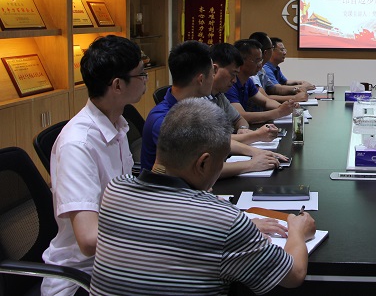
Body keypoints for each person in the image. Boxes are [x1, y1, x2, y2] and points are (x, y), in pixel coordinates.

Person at [90, 98, 317, 296]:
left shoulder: (115, 191)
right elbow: (294, 274)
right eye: (221, 162)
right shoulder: (225, 221)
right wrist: (297, 232)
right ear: (203, 163)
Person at [42, 35, 146, 296]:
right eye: (141, 74)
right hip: (81, 277)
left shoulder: (117, 125)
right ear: (118, 85)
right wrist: (155, 232)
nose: (145, 79)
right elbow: (89, 240)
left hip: (114, 262)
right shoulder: (77, 144)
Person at [141, 40, 285, 174]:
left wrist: (255, 152)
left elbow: (215, 141)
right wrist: (251, 164)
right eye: (212, 73)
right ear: (201, 79)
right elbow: (198, 170)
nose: (214, 77)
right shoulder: (166, 120)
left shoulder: (193, 107)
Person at [209, 42, 279, 145]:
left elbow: (239, 119)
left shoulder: (219, 95)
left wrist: (242, 128)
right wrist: (256, 136)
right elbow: (214, 140)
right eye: (232, 74)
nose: (234, 80)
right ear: (215, 69)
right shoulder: (200, 100)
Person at [225, 39, 296, 124]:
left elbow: (266, 101)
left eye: (261, 60)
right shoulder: (230, 83)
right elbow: (241, 116)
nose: (260, 65)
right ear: (241, 61)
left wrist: (285, 107)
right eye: (257, 60)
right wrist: (278, 112)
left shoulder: (248, 81)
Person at [249, 32, 308, 103]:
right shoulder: (253, 73)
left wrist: (297, 89)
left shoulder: (262, 70)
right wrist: (294, 98)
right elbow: (264, 98)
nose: (285, 53)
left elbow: (274, 88)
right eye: (271, 48)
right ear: (266, 52)